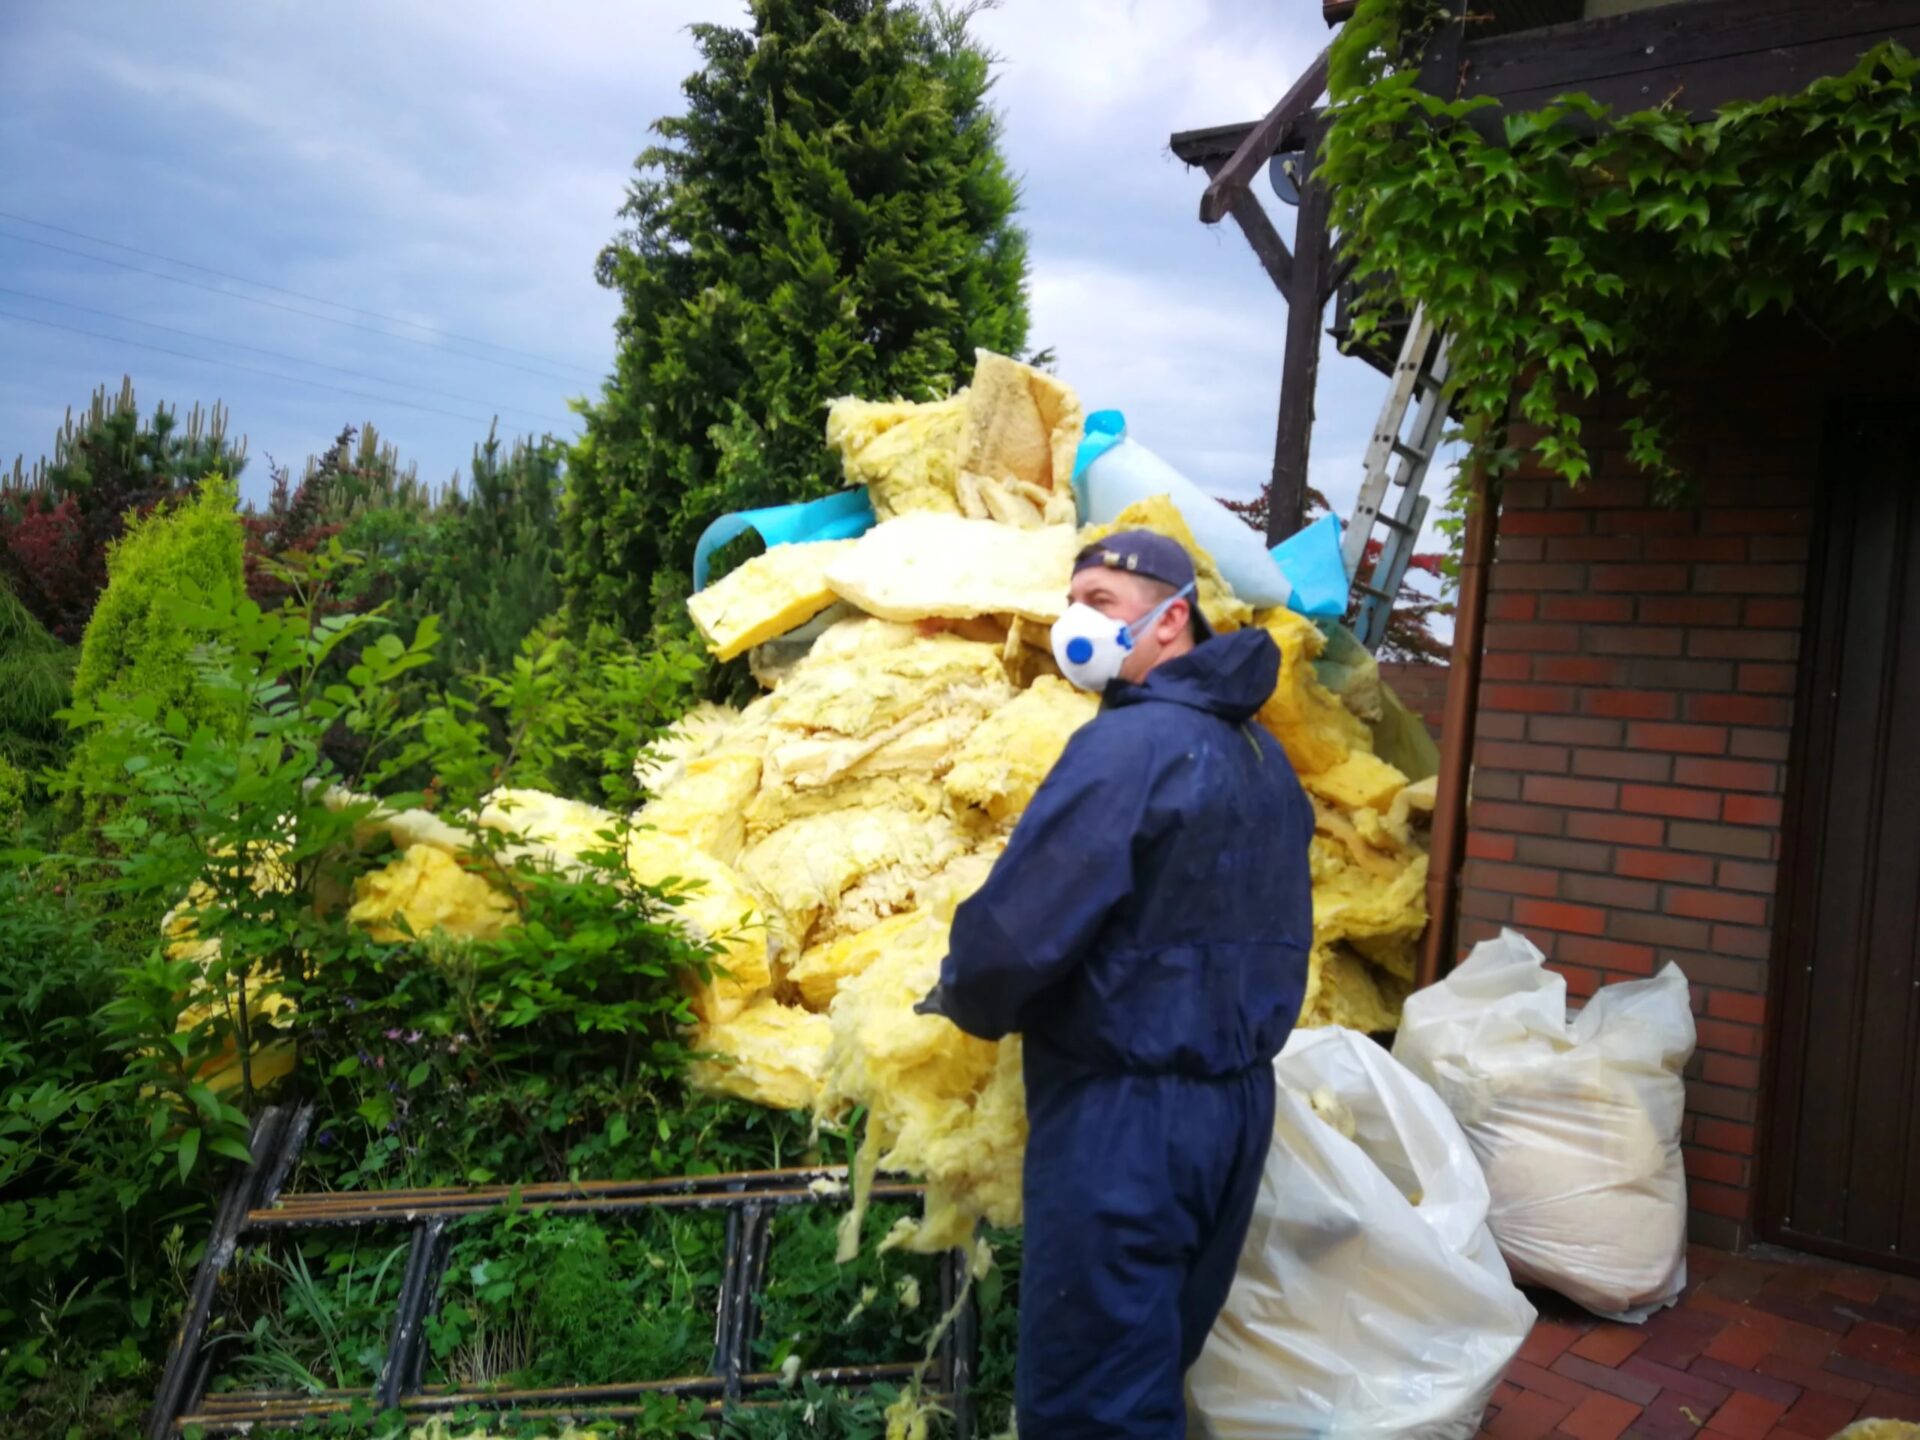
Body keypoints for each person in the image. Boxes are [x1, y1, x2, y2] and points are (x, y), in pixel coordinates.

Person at [915, 529, 1315, 1438]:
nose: (1075, 623)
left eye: (1101, 602)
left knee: (1091, 1404)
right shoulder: (1260, 756)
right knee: (1150, 1369)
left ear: (1172, 620)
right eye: (1071, 603)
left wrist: (962, 996)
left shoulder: (1130, 747)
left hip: (1126, 1125)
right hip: (1235, 1110)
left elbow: (1018, 929)